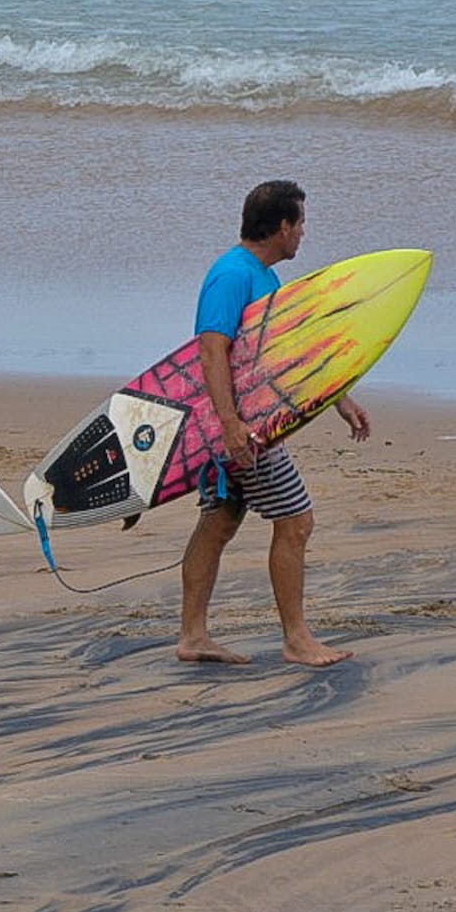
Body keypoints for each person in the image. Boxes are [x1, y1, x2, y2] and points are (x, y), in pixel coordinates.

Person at [174, 180, 370, 669]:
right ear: (282, 226)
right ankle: (296, 639)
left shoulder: (264, 279)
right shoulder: (232, 276)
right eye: (300, 223)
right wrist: (231, 425)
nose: (303, 234)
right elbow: (210, 349)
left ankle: (193, 636)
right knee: (296, 520)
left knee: (219, 521)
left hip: (244, 425)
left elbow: (286, 363)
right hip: (244, 431)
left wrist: (340, 401)